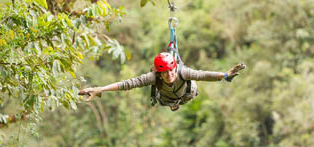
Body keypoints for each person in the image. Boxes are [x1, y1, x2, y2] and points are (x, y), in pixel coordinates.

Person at [78, 52, 245, 111]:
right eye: (165, 73)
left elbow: (203, 75)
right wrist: (101, 89)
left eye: (171, 71)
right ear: (159, 72)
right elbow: (127, 84)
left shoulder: (182, 73)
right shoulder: (154, 78)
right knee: (163, 98)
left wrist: (224, 75)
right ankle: (173, 104)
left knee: (193, 86)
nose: (169, 75)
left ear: (174, 68)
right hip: (166, 98)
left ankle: (178, 102)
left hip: (185, 94)